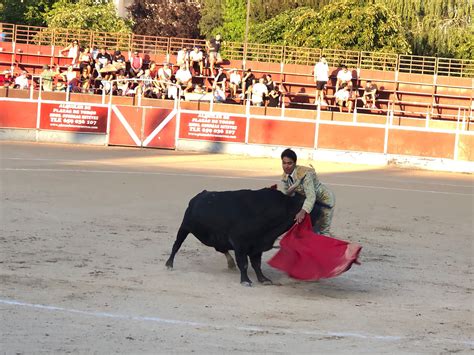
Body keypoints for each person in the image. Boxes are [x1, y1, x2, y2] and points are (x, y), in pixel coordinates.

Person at [280, 148, 335, 236]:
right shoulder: (285, 176)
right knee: (311, 231)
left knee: (323, 231)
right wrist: (290, 190)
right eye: (284, 163)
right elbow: (289, 195)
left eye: (289, 163)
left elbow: (311, 196)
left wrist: (302, 212)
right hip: (310, 203)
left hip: (324, 200)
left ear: (295, 163)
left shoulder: (305, 174)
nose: (286, 166)